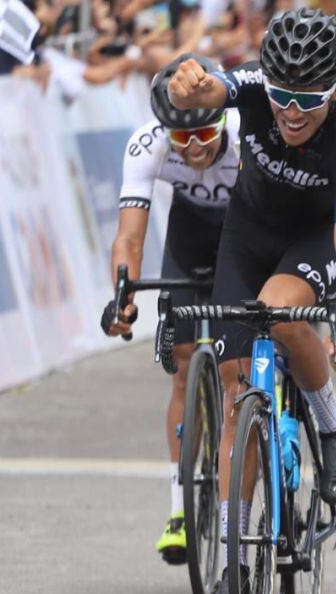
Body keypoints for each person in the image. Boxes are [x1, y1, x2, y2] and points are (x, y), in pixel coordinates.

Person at [166, 7, 336, 594]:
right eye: (282, 96)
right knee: (236, 396)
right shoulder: (257, 86)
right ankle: (233, 560)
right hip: (248, 232)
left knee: (280, 312)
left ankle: (332, 425)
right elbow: (205, 89)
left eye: (307, 100)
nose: (291, 112)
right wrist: (186, 83)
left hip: (313, 240)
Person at [101, 54, 241, 567]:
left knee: (236, 367)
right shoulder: (148, 142)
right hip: (191, 227)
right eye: (183, 138)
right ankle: (180, 509)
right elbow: (130, 237)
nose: (196, 148)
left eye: (205, 133)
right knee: (183, 367)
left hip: (244, 227)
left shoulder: (247, 133)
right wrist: (123, 297)